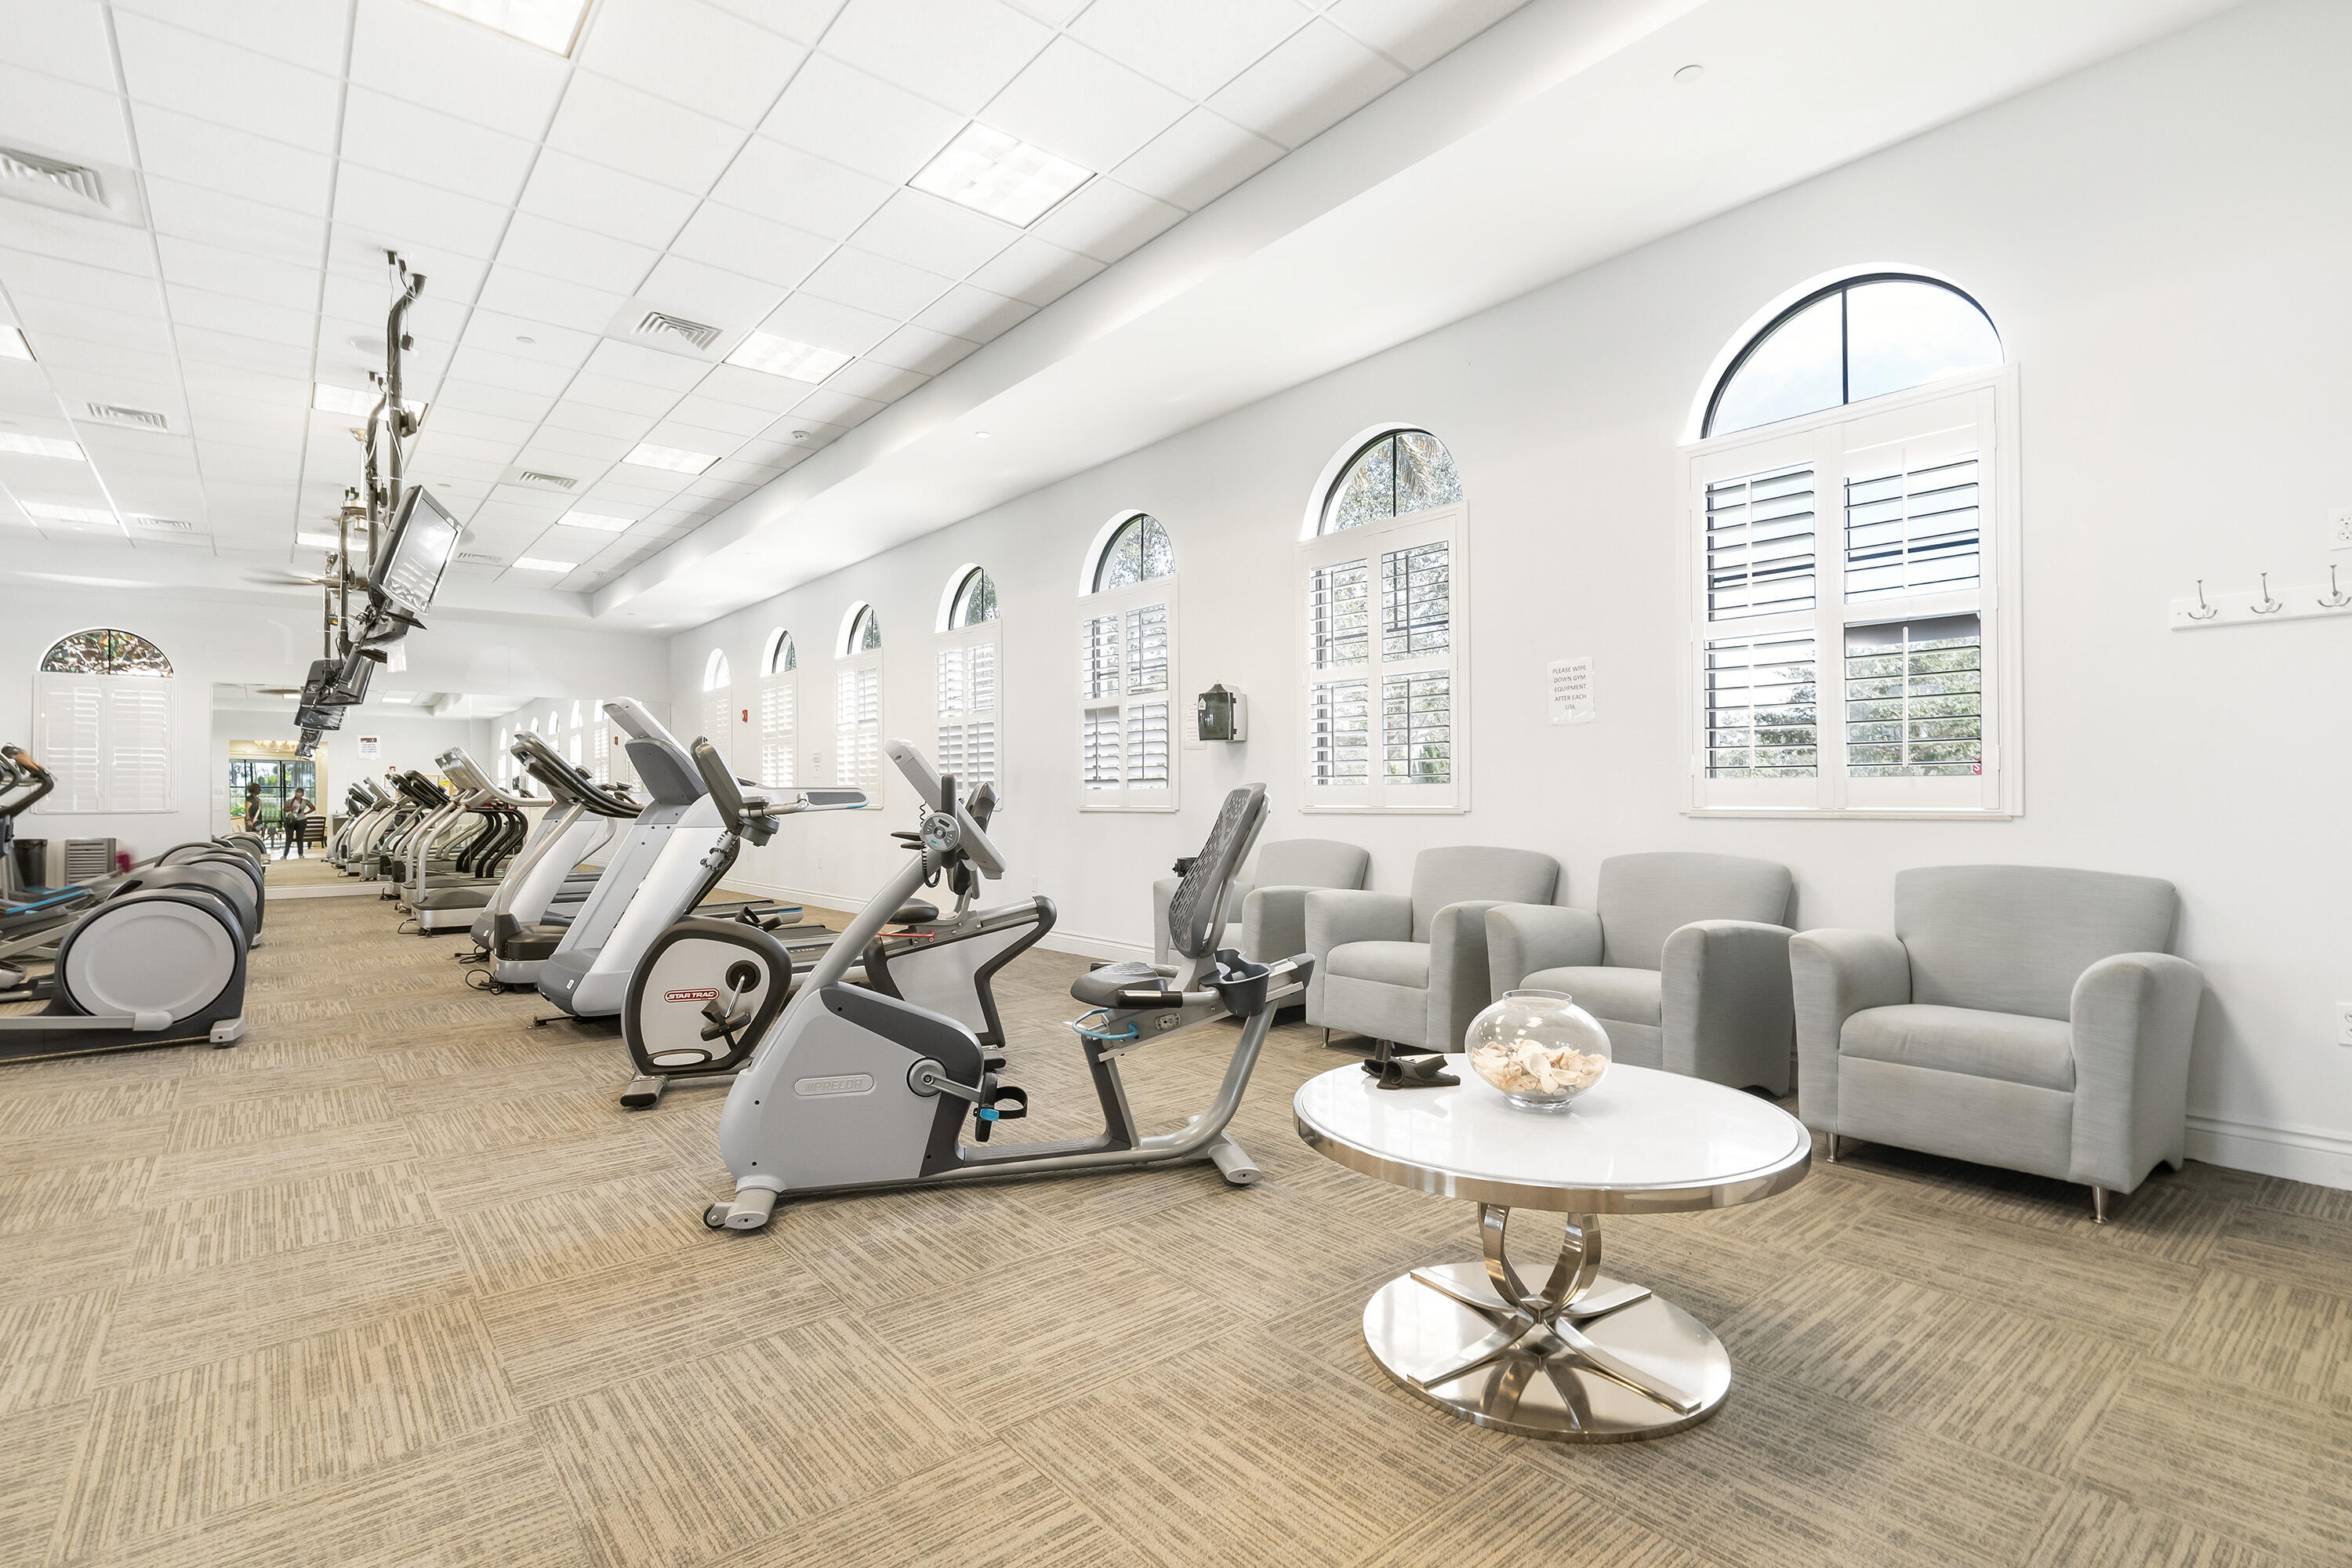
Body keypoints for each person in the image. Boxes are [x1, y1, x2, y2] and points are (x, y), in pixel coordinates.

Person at [281, 789, 312, 858]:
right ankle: (285, 854)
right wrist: (292, 808)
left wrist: (305, 813)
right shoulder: (290, 801)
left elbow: (313, 808)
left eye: (299, 793)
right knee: (289, 838)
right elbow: (285, 809)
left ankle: (301, 854)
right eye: (297, 792)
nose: (298, 794)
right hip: (291, 820)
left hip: (301, 820)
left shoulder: (305, 801)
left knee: (300, 838)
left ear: (302, 794)